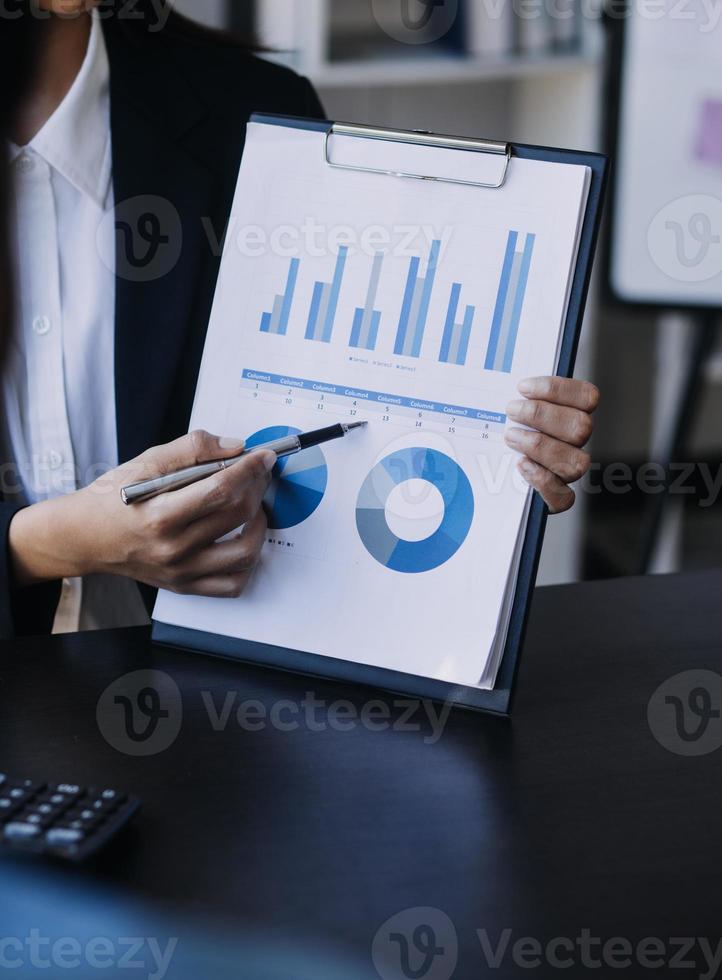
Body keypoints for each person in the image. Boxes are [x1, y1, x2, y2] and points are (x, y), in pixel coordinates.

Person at [0, 0, 599, 638]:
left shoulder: (254, 113)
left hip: (222, 687)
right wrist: (42, 546)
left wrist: (497, 437)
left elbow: (360, 416)